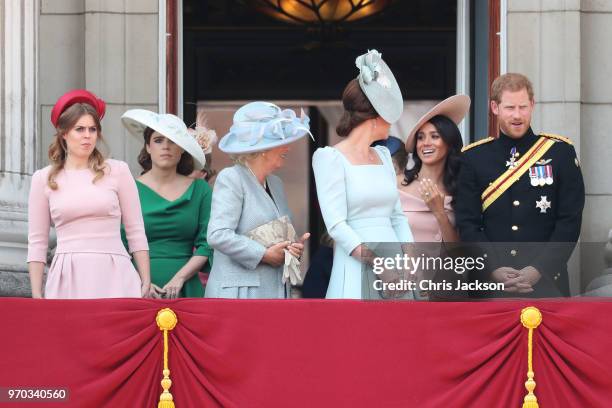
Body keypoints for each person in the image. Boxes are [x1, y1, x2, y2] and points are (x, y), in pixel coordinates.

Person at [455, 73, 585, 297]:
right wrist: (492, 268)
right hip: (491, 284)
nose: (517, 115)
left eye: (523, 107)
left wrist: (539, 269)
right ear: (494, 107)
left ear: (532, 105)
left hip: (547, 282)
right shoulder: (473, 157)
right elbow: (468, 223)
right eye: (510, 108)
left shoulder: (560, 153)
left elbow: (569, 221)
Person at [27, 90, 151, 299]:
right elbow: (37, 242)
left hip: (115, 272)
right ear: (64, 133)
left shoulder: (118, 170)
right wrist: (36, 293)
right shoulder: (42, 178)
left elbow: (136, 231)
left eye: (93, 129)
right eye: (80, 129)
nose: (87, 135)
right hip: (68, 276)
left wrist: (145, 278)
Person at [312, 49, 414, 299]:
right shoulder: (330, 158)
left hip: (393, 262)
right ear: (375, 117)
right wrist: (378, 265)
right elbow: (336, 225)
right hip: (356, 261)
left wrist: (409, 261)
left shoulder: (382, 156)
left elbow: (397, 217)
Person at [205, 101, 311, 299]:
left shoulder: (276, 183)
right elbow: (217, 235)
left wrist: (290, 247)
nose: (288, 146)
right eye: (281, 141)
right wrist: (263, 254)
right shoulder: (232, 178)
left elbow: (272, 236)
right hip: (240, 292)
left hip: (274, 290)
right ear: (263, 149)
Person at [121, 109, 213, 298]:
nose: (166, 146)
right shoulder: (128, 188)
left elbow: (208, 243)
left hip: (187, 288)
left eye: (173, 141)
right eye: (158, 140)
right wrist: (142, 281)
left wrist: (180, 277)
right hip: (137, 290)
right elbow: (119, 245)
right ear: (147, 147)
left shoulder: (201, 190)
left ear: (182, 149)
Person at [399, 95, 469, 243]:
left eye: (434, 136)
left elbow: (459, 254)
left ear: (449, 143)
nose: (426, 143)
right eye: (421, 137)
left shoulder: (460, 190)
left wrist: (439, 212)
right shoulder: (397, 184)